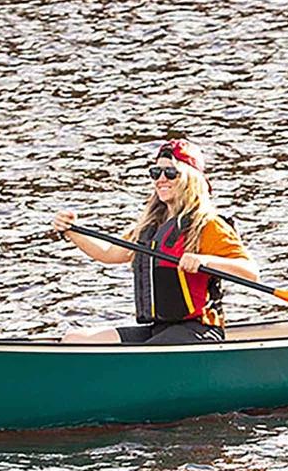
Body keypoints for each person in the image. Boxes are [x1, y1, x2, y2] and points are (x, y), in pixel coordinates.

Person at [52, 138, 260, 343]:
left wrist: (205, 261)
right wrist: (71, 231)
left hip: (199, 331)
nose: (161, 179)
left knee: (142, 354)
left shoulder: (208, 225)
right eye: (156, 173)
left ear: (191, 180)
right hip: (159, 329)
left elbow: (250, 272)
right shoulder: (151, 227)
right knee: (75, 338)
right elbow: (108, 253)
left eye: (170, 173)